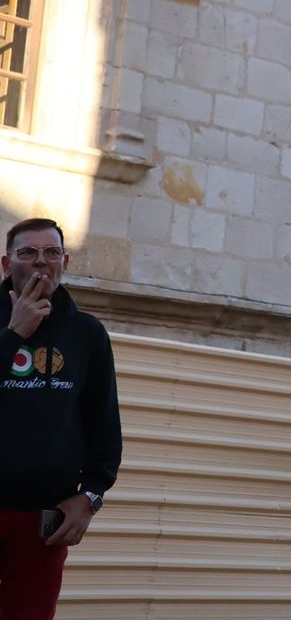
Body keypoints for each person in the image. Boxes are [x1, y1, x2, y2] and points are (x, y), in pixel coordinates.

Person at [0, 218, 122, 620]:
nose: (41, 261)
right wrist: (13, 336)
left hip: (44, 520)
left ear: (64, 262)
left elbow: (104, 426)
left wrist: (92, 496)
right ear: (7, 264)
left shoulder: (87, 334)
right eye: (28, 252)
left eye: (51, 252)